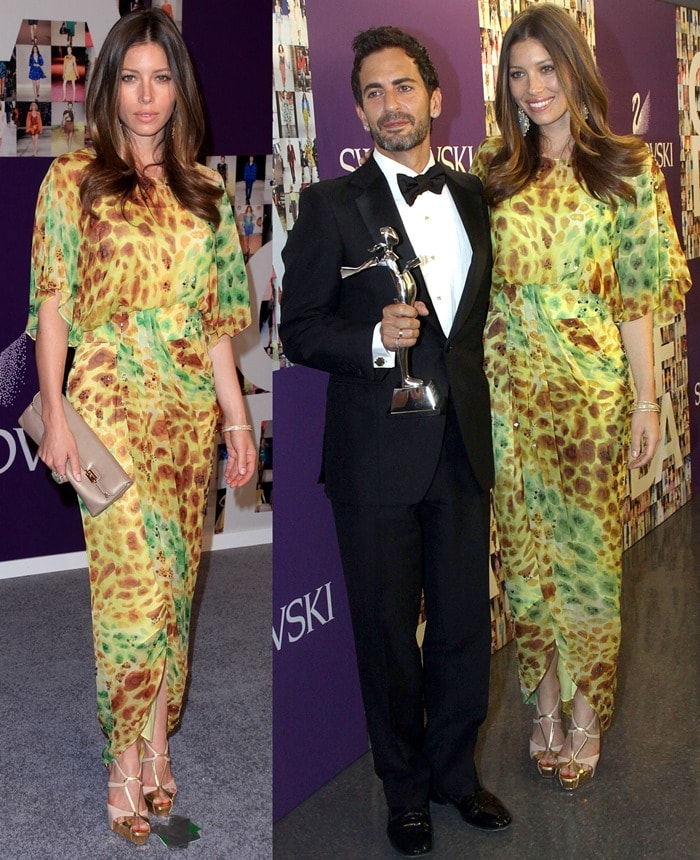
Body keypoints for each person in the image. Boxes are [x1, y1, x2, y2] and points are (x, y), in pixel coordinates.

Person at [280, 25, 511, 857]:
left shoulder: (475, 196)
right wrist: (375, 341)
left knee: (459, 627)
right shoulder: (329, 207)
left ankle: (455, 776)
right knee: (387, 636)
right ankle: (404, 790)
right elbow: (298, 330)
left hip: (460, 447)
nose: (390, 105)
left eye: (403, 88)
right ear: (358, 110)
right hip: (375, 458)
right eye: (373, 93)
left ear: (434, 96)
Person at [27, 9, 256, 845]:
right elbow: (52, 307)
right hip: (109, 405)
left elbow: (219, 325)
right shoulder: (73, 180)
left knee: (174, 589)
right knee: (128, 595)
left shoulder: (205, 190)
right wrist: (55, 412)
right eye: (131, 77)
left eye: (162, 78)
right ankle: (124, 758)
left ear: (180, 86)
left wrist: (236, 423)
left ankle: (160, 738)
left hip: (187, 418)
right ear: (109, 85)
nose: (148, 95)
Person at [469, 2, 691, 792]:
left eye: (547, 69)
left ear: (574, 68)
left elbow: (639, 298)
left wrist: (647, 402)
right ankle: (545, 701)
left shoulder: (625, 166)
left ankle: (589, 710)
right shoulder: (496, 173)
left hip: (591, 397)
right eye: (519, 74)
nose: (534, 88)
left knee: (590, 564)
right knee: (526, 563)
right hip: (509, 399)